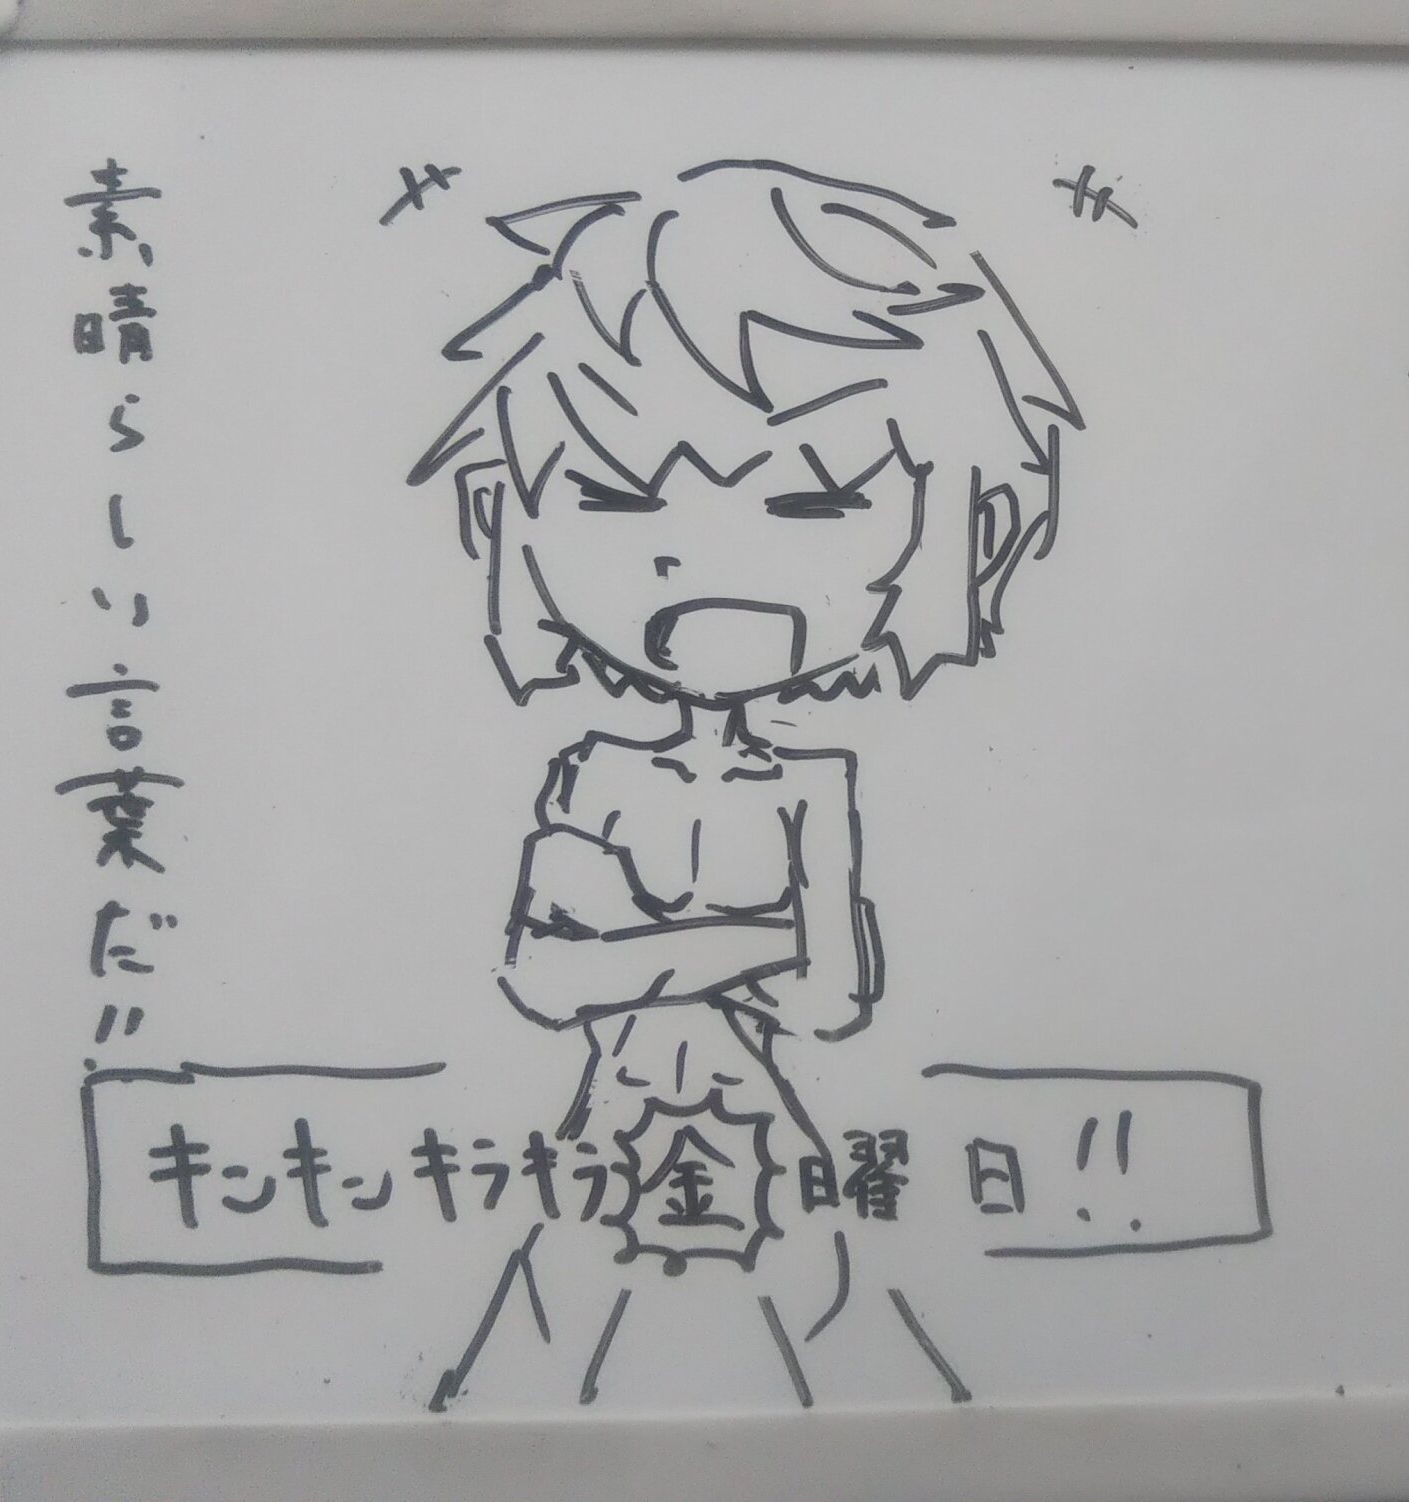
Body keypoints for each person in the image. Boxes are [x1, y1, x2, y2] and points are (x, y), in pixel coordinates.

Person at [410, 157, 1081, 1399]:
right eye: (614, 494)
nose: (712, 561)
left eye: (817, 501)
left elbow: (833, 998)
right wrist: (750, 943)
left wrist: (646, 947)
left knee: (837, 1326)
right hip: (618, 1116)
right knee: (543, 1336)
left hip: (752, 1114)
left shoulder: (808, 780)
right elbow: (542, 979)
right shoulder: (593, 770)